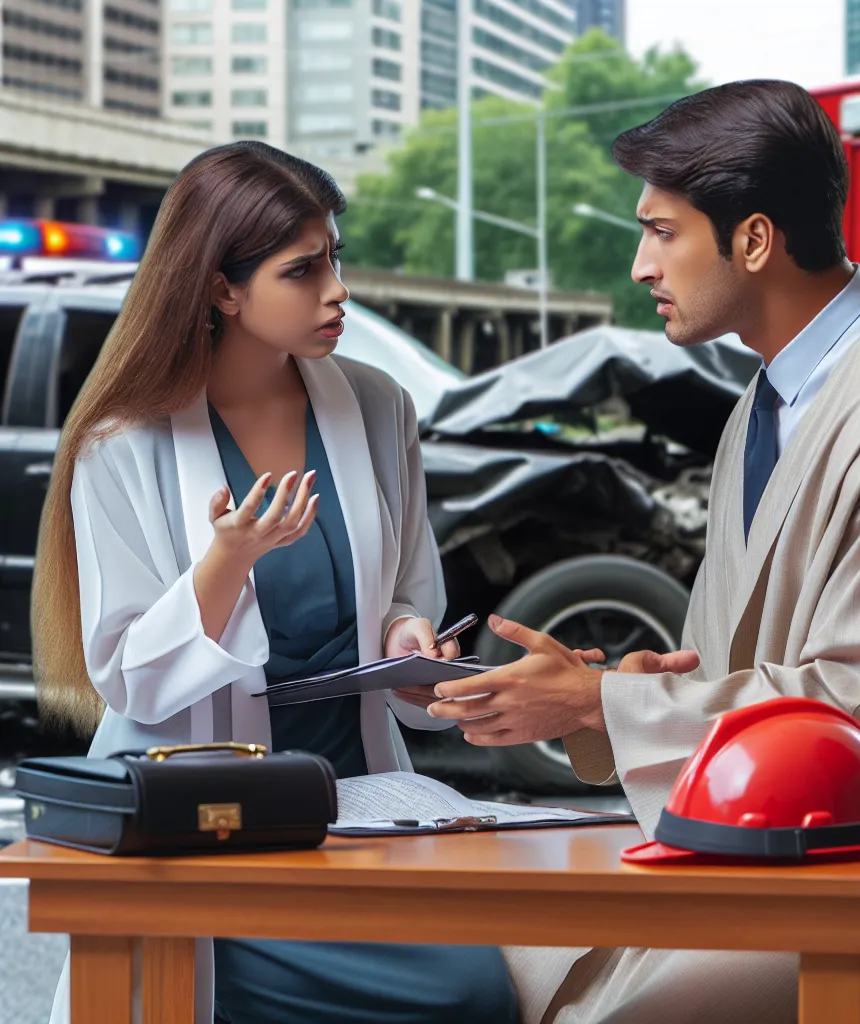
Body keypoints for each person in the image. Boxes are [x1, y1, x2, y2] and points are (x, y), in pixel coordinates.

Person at [429, 80, 860, 1023]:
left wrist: (601, 703)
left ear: (753, 241)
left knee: (581, 1003)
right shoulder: (768, 400)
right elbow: (727, 660)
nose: (640, 265)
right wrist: (608, 697)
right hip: (777, 836)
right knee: (487, 954)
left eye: (662, 232)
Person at [32, 141, 518, 1024]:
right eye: (303, 270)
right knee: (458, 997)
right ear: (223, 289)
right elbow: (128, 675)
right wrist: (227, 562)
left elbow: (407, 593)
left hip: (360, 805)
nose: (338, 291)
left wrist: (409, 639)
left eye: (334, 258)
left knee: (486, 989)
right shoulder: (121, 442)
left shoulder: (380, 407)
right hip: (204, 823)